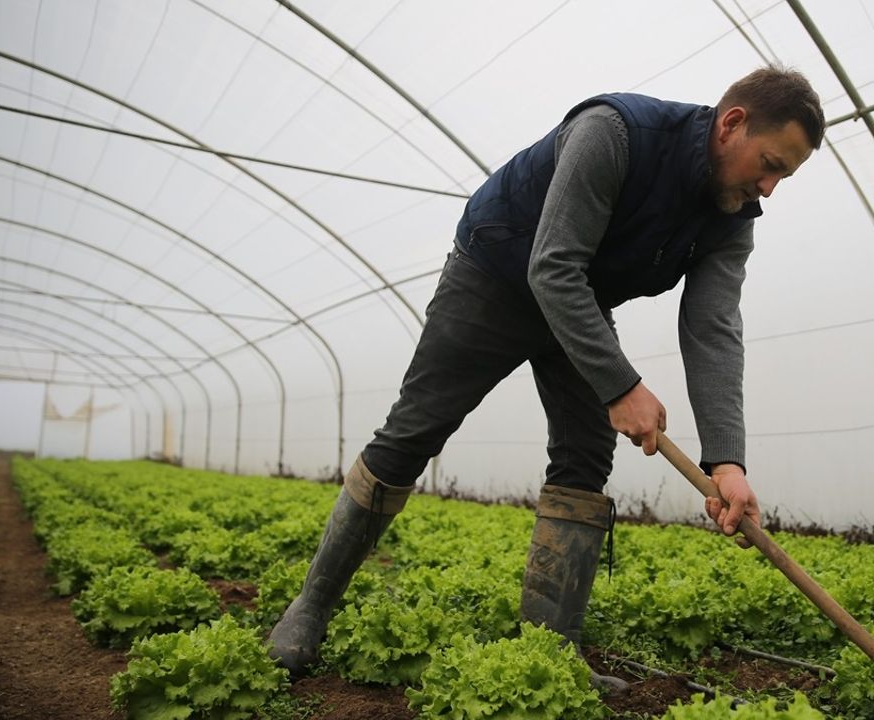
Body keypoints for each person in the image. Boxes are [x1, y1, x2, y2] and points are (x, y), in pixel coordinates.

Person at [268, 65, 825, 690]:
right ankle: (311, 606)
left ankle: (550, 653)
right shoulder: (614, 133)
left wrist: (727, 461)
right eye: (771, 163)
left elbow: (713, 327)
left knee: (586, 456)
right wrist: (619, 386)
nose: (771, 187)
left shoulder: (734, 211)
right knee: (413, 433)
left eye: (785, 176)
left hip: (578, 301)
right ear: (732, 124)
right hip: (497, 276)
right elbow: (553, 265)